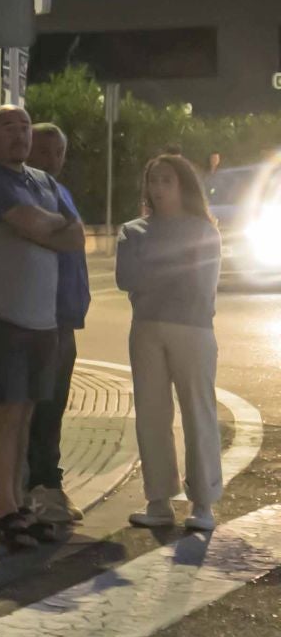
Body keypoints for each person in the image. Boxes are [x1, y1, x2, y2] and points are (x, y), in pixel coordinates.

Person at [0, 104, 82, 550]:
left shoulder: (44, 182)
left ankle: (23, 502)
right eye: (8, 127)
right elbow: (34, 224)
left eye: (25, 126)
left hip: (43, 319)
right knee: (7, 413)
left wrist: (44, 228)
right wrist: (45, 227)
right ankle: (5, 508)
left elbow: (75, 235)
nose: (19, 134)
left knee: (28, 413)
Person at [117, 154, 222, 533]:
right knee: (152, 415)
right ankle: (158, 501)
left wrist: (153, 273)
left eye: (167, 180)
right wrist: (168, 272)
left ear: (183, 185)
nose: (158, 188)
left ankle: (203, 503)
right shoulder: (133, 230)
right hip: (145, 329)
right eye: (153, 180)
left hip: (193, 329)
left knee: (198, 412)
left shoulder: (203, 230)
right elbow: (126, 278)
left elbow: (199, 284)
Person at [26, 123, 90, 530]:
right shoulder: (30, 192)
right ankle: (41, 488)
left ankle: (47, 484)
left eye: (58, 152)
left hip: (63, 318)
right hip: (41, 317)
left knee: (53, 407)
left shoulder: (57, 190)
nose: (51, 159)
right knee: (41, 409)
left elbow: (75, 241)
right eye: (43, 150)